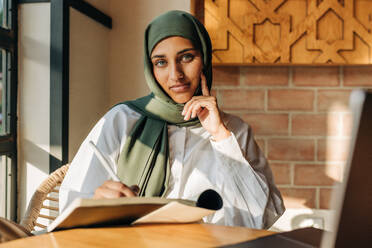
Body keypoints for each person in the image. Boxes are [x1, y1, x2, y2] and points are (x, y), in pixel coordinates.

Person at [59, 10, 285, 229]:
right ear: (151, 68)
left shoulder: (234, 130)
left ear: (204, 59)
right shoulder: (121, 120)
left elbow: (261, 219)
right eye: (161, 62)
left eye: (186, 57)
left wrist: (219, 135)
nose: (175, 74)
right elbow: (72, 201)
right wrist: (96, 203)